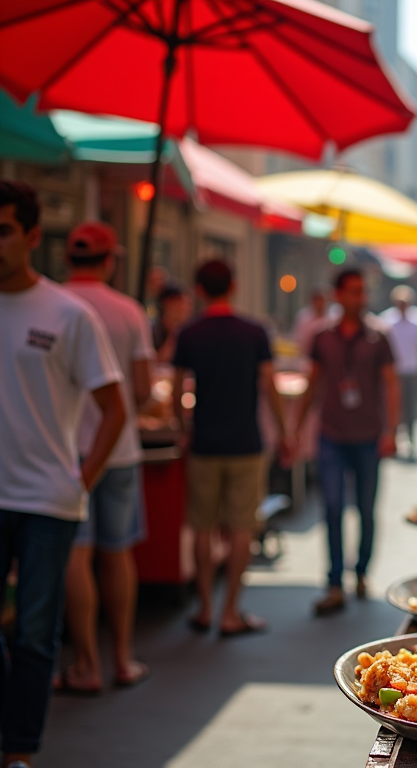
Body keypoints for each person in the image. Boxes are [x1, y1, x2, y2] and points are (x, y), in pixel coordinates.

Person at [0, 181, 126, 767]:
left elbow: (115, 407)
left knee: (32, 633)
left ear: (31, 236)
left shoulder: (68, 314)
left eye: (3, 231)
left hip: (50, 500)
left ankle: (20, 752)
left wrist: (83, 479)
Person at [58, 222, 154, 695]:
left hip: (64, 452)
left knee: (76, 555)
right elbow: (141, 390)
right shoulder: (128, 311)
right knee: (116, 554)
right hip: (118, 451)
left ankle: (84, 663)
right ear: (110, 259)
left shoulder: (51, 304)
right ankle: (120, 658)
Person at [172, 259, 291, 638]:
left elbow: (177, 390)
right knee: (242, 527)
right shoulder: (253, 332)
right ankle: (231, 611)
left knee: (203, 527)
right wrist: (285, 432)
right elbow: (270, 386)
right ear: (234, 286)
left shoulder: (190, 333)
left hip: (204, 442)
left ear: (200, 290)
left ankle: (205, 608)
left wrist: (182, 427)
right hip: (245, 442)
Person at [296, 269, 398, 615]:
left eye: (363, 291)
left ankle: (362, 571)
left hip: (368, 436)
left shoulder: (377, 336)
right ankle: (335, 580)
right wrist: (296, 428)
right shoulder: (322, 336)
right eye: (353, 291)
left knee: (366, 510)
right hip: (332, 436)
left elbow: (390, 384)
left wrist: (391, 431)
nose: (360, 297)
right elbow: (312, 382)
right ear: (337, 294)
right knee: (333, 507)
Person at [378, 285, 417, 460]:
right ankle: (393, 440)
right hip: (393, 372)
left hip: (412, 369)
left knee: (411, 407)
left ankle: (411, 439)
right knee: (392, 407)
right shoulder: (385, 319)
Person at [151, 282, 191, 364]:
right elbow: (154, 363)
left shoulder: (189, 331)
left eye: (188, 304)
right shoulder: (153, 330)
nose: (186, 308)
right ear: (166, 303)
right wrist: (174, 333)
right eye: (182, 303)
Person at [292, 289, 335, 358]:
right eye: (316, 300)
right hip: (308, 357)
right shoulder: (303, 318)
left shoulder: (333, 318)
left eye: (321, 300)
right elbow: (299, 340)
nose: (319, 303)